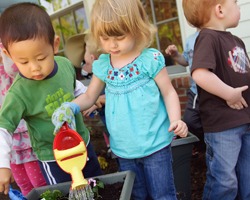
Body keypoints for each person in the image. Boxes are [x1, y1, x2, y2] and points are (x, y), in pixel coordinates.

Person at [52, 0, 188, 199]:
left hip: (155, 144)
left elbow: (168, 92)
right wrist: (71, 106)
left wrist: (176, 119)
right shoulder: (104, 65)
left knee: (163, 195)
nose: (112, 44)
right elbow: (90, 96)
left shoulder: (149, 59)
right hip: (124, 149)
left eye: (119, 37)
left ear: (136, 28)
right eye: (105, 38)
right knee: (136, 195)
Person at [0, 2, 102, 196]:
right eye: (23, 62)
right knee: (64, 193)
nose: (34, 67)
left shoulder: (64, 65)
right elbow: (3, 129)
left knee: (96, 184)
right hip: (53, 157)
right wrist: (2, 165)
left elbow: (74, 87)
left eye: (40, 58)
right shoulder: (19, 93)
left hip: (82, 144)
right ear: (8, 54)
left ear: (54, 45)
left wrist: (86, 97)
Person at [182, 1, 250, 199]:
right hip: (223, 126)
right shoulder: (208, 38)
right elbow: (200, 74)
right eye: (235, 3)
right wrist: (229, 93)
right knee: (224, 180)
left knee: (247, 177)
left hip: (245, 120)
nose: (239, 8)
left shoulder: (237, 40)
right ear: (219, 10)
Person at [0, 45, 47, 196]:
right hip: (7, 135)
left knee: (38, 183)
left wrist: (4, 49)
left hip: (23, 127)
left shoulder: (13, 57)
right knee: (23, 183)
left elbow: (12, 68)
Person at [165, 29, 205, 153]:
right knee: (190, 120)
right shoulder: (190, 40)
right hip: (196, 90)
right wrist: (176, 55)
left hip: (213, 91)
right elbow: (186, 61)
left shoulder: (214, 36)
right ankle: (203, 146)